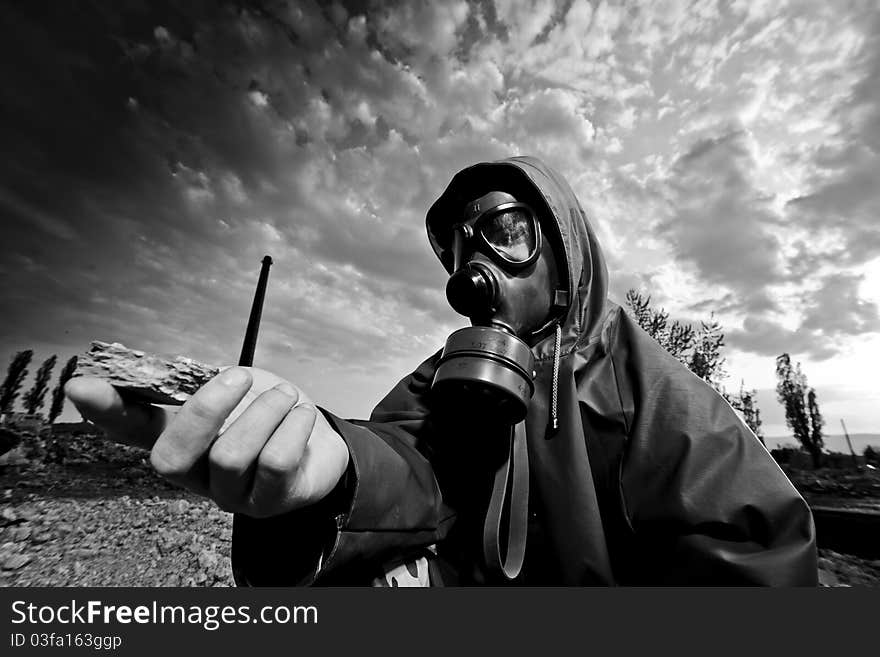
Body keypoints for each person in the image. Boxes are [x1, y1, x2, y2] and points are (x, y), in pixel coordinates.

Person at [66, 156, 819, 586]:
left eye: (505, 231)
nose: (476, 266)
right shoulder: (450, 379)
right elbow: (405, 458)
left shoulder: (644, 382)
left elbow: (761, 555)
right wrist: (330, 476)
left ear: (563, 245)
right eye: (459, 251)